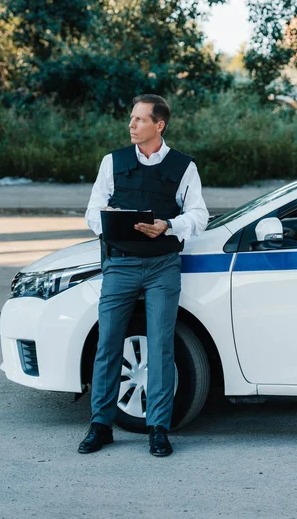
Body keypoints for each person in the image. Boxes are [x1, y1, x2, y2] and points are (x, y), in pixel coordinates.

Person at [78, 94, 209, 457]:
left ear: (159, 125)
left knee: (161, 347)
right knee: (108, 345)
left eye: (139, 120)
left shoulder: (184, 167)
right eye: (132, 119)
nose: (131, 125)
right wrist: (108, 221)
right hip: (119, 264)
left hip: (162, 267)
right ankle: (101, 425)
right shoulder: (113, 161)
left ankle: (158, 428)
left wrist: (169, 225)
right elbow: (92, 212)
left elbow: (199, 216)